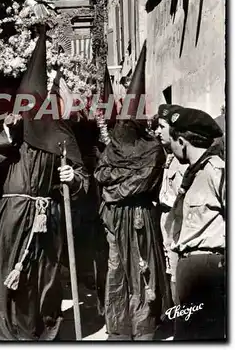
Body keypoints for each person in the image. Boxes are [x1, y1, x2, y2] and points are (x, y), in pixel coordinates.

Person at [0, 25, 89, 341]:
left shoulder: (61, 135)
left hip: (45, 221)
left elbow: (83, 180)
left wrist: (72, 179)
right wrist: (7, 137)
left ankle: (39, 334)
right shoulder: (12, 131)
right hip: (8, 222)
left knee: (43, 280)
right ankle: (5, 336)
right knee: (6, 278)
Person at [94, 118, 172, 340]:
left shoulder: (153, 150)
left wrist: (113, 187)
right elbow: (100, 174)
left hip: (139, 218)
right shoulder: (113, 148)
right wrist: (126, 173)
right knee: (116, 269)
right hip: (114, 220)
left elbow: (141, 182)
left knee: (141, 269)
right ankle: (119, 328)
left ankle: (143, 327)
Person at [166, 107, 225, 340]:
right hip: (189, 268)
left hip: (208, 269)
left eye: (171, 140)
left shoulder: (215, 171)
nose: (170, 148)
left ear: (181, 141)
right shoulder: (193, 174)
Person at [154, 105, 186, 303]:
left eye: (161, 126)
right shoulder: (168, 156)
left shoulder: (183, 161)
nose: (157, 131)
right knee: (171, 271)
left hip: (179, 223)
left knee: (178, 275)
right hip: (168, 221)